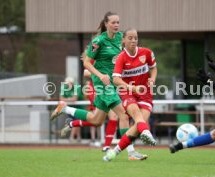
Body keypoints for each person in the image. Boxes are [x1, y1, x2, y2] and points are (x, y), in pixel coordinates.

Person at [51, 12, 155, 160]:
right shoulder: (98, 41)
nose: (116, 25)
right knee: (123, 114)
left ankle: (65, 108)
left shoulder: (121, 37)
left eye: (118, 22)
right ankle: (131, 153)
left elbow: (130, 55)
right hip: (103, 83)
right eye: (113, 22)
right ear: (106, 24)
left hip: (115, 82)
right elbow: (86, 62)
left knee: (96, 120)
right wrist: (100, 76)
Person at [103, 28, 157, 161]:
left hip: (145, 93)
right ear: (123, 40)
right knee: (137, 117)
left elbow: (154, 68)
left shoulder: (147, 53)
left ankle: (113, 153)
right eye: (130, 38)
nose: (133, 41)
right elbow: (115, 80)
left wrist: (152, 79)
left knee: (138, 125)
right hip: (127, 92)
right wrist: (132, 89)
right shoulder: (121, 57)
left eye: (135, 38)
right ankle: (147, 132)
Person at [59, 77, 83, 142]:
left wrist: (67, 100)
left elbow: (75, 99)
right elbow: (61, 99)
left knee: (75, 121)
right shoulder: (64, 87)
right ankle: (78, 137)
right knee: (74, 122)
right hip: (69, 108)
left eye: (70, 84)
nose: (69, 86)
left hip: (78, 107)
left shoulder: (76, 86)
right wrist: (70, 99)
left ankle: (72, 137)